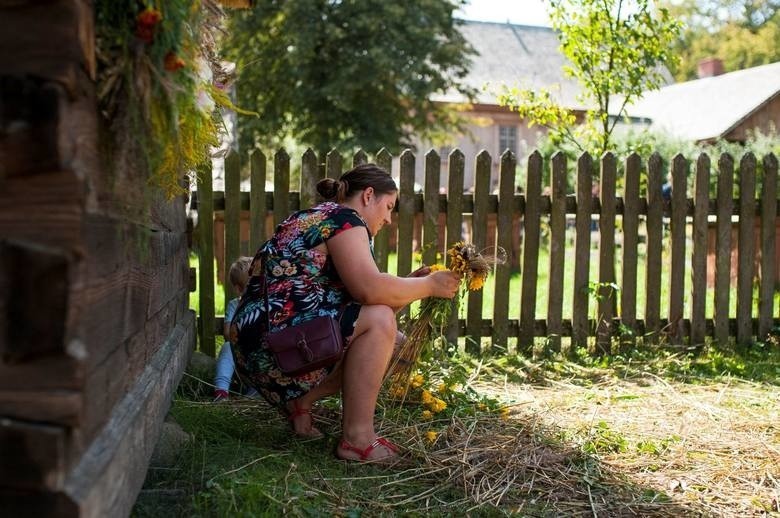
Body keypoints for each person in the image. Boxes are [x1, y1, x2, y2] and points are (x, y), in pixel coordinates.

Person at [228, 163, 460, 462]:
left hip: (260, 346)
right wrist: (428, 286)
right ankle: (357, 440)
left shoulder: (317, 216)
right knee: (382, 324)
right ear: (368, 195)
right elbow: (369, 293)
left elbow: (362, 315)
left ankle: (300, 404)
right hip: (274, 348)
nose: (389, 218)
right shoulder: (345, 220)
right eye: (388, 207)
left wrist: (411, 286)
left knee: (387, 334)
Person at [213, 256, 254, 402]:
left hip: (259, 363)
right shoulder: (234, 305)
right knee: (227, 347)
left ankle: (250, 400)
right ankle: (221, 393)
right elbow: (227, 333)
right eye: (252, 284)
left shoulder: (266, 305)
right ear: (239, 289)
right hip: (240, 358)